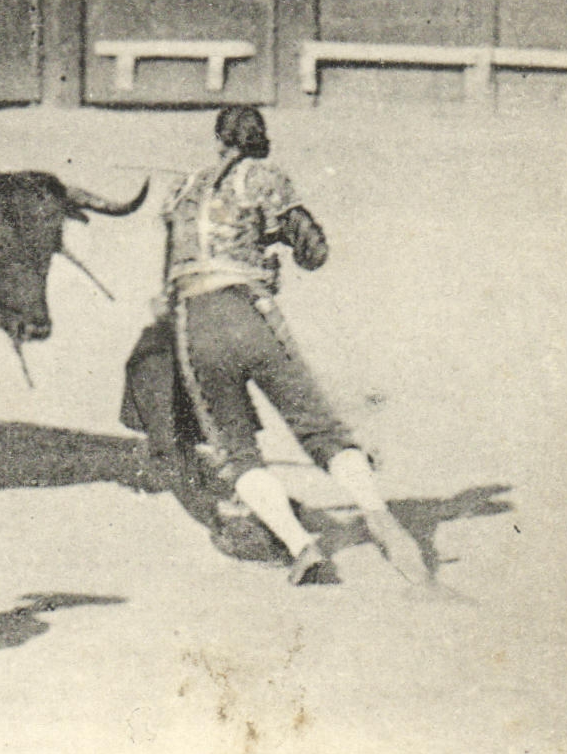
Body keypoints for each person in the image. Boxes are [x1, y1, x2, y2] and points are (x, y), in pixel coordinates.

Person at [155, 105, 431, 587]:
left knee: (236, 451)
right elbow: (314, 252)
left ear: (219, 140)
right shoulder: (264, 178)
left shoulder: (181, 188)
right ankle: (379, 517)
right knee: (319, 427)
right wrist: (277, 235)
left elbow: (174, 271)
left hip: (194, 325)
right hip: (251, 314)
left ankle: (300, 546)